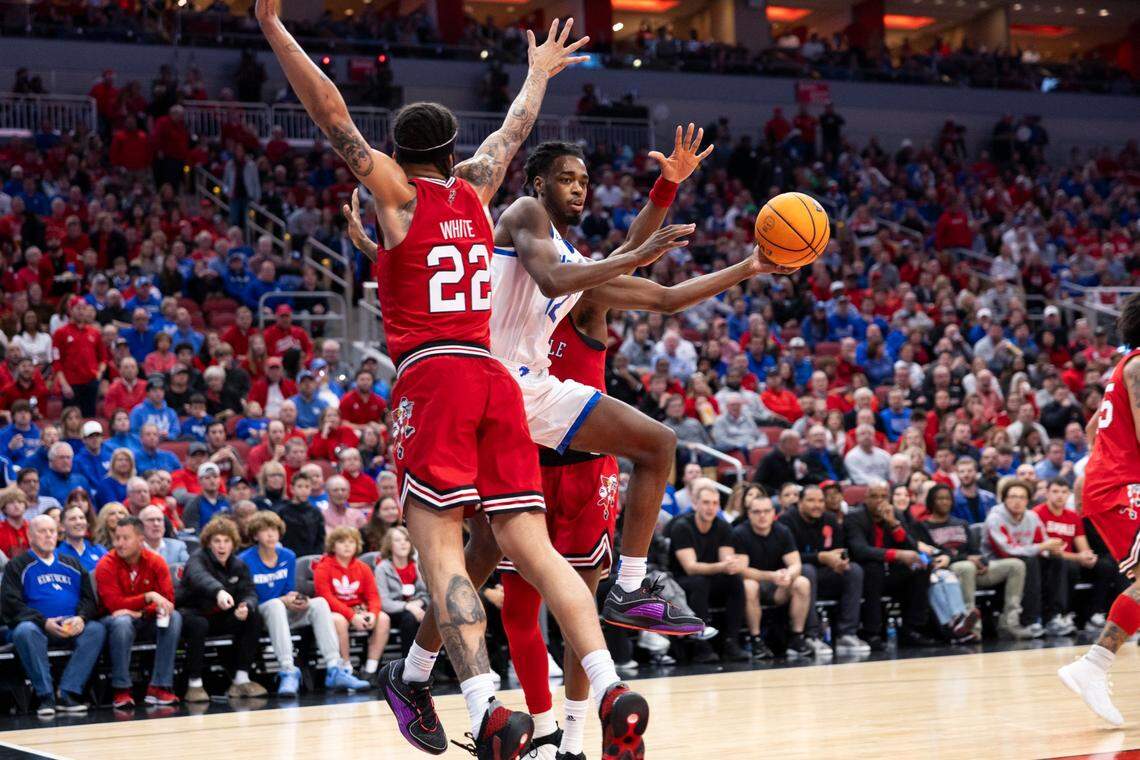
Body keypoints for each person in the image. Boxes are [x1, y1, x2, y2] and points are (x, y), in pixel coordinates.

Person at [263, 6, 645, 755]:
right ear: (450, 151)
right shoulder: (476, 192)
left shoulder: (397, 197)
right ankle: (608, 685)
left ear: (399, 157)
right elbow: (512, 131)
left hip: (434, 378)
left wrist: (275, 28)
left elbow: (331, 112)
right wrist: (536, 72)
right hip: (495, 379)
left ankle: (482, 700)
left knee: (440, 553)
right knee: (533, 551)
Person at [1060, 296, 1140, 725]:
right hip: (1121, 489)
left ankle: (1092, 667)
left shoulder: (1124, 369)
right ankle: (1092, 667)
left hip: (1115, 484)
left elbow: (1094, 428)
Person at [237, 511, 369, 696]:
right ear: (255, 534)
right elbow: (248, 595)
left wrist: (294, 599)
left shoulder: (288, 556)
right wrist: (282, 600)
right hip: (260, 613)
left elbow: (288, 589)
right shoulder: (245, 559)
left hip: (284, 610)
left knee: (320, 603)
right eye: (264, 530)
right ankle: (288, 670)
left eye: (274, 529)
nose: (270, 534)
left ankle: (334, 668)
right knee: (275, 605)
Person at [2, 515, 106, 715]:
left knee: (96, 629)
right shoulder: (17, 566)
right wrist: (44, 622)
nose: (48, 535)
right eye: (42, 531)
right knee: (24, 631)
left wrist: (81, 618)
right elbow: (11, 605)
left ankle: (67, 692)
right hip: (36, 628)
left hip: (70, 625)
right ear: (30, 536)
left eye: (52, 531)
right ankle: (46, 696)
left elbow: (89, 600)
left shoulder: (72, 564)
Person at [920, 483, 1031, 639]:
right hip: (947, 573)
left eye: (947, 498)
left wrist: (982, 562)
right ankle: (971, 627)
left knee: (1016, 565)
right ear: (931, 501)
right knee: (966, 567)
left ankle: (1010, 622)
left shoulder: (961, 523)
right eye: (939, 499)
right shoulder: (924, 526)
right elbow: (936, 556)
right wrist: (966, 558)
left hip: (972, 569)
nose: (944, 502)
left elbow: (974, 551)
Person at [177, 516, 269, 702]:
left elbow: (249, 592)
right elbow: (199, 577)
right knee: (199, 624)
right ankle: (194, 684)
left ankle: (241, 679)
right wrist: (218, 591)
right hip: (193, 613)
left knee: (253, 616)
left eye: (226, 541)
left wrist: (246, 606)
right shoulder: (197, 559)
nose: (222, 546)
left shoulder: (238, 565)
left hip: (221, 618)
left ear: (233, 543)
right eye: (217, 541)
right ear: (208, 543)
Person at [95, 516, 181, 708]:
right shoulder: (106, 564)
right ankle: (121, 690)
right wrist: (148, 598)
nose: (119, 543)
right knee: (122, 622)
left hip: (145, 619)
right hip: (112, 621)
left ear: (140, 539)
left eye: (126, 538)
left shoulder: (156, 562)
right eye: (117, 538)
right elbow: (114, 605)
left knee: (173, 617)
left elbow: (168, 601)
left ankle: (160, 686)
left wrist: (142, 613)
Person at [779, 485, 869, 655]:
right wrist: (820, 557)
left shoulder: (829, 519)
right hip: (794, 578)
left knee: (854, 570)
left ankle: (847, 634)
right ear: (799, 502)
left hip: (826, 573)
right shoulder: (787, 521)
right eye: (811, 500)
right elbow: (789, 558)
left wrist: (840, 561)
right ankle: (812, 635)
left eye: (820, 500)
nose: (817, 505)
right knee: (807, 570)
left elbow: (838, 549)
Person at [846, 481, 938, 647]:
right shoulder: (855, 517)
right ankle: (872, 632)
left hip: (891, 572)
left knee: (922, 566)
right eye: (874, 497)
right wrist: (897, 554)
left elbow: (911, 547)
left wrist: (894, 524)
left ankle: (912, 629)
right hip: (866, 571)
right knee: (874, 569)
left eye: (883, 497)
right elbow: (860, 551)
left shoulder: (895, 514)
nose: (879, 501)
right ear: (865, 499)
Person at [667, 485, 749, 663]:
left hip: (709, 577)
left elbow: (726, 561)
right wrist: (723, 566)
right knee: (699, 581)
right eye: (705, 502)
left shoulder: (723, 527)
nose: (710, 507)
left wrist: (733, 565)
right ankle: (701, 646)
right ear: (695, 504)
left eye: (714, 503)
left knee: (735, 580)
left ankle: (731, 642)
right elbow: (690, 567)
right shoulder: (682, 526)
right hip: (680, 582)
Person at [983, 479, 1066, 638]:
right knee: (1029, 561)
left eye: (1021, 497)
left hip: (1026, 559)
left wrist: (1052, 550)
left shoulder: (1032, 516)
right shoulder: (995, 518)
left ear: (1028, 500)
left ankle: (1054, 618)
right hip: (996, 563)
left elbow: (1043, 542)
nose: (1017, 501)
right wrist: (1042, 548)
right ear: (1004, 499)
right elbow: (1007, 551)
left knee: (1057, 561)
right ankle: (1031, 620)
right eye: (1012, 496)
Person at [733, 492, 810, 660]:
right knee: (749, 585)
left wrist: (788, 575)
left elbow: (796, 563)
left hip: (778, 586)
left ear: (773, 513)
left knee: (802, 582)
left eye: (767, 511)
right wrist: (771, 576)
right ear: (749, 513)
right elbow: (742, 569)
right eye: (757, 512)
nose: (762, 516)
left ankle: (798, 636)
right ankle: (756, 639)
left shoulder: (782, 531)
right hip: (754, 585)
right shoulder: (740, 533)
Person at [312, 526, 390, 681]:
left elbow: (373, 596)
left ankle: (370, 669)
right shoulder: (323, 567)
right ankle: (346, 667)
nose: (347, 545)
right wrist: (351, 615)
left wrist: (372, 614)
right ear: (333, 546)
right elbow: (326, 597)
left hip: (359, 611)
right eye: (342, 542)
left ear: (357, 545)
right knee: (338, 621)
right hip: (335, 611)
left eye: (351, 542)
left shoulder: (363, 567)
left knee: (383, 618)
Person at [376, 526, 430, 659]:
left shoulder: (417, 565)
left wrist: (420, 602)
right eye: (397, 540)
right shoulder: (382, 568)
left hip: (417, 606)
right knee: (410, 619)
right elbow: (384, 602)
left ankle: (436, 664)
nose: (403, 543)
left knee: (435, 615)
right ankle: (409, 663)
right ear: (390, 544)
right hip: (395, 611)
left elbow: (428, 593)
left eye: (406, 539)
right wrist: (409, 606)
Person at [276, 472, 326, 557]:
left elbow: (320, 538)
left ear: (311, 489)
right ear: (292, 489)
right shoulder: (282, 512)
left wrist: (316, 556)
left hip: (311, 558)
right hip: (289, 557)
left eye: (307, 487)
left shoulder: (316, 512)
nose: (304, 490)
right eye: (299, 486)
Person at [56, 505, 106, 572]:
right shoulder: (57, 554)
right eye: (73, 519)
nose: (78, 522)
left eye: (82, 518)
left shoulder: (99, 550)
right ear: (62, 526)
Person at [183, 462, 230, 532]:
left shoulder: (227, 501)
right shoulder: (194, 504)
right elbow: (194, 532)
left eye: (215, 477)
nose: (212, 481)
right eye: (207, 478)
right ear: (199, 481)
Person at [0, 486, 31, 558]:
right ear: (4, 508)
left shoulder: (32, 527)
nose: (16, 506)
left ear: (25, 506)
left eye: (20, 502)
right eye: (11, 502)